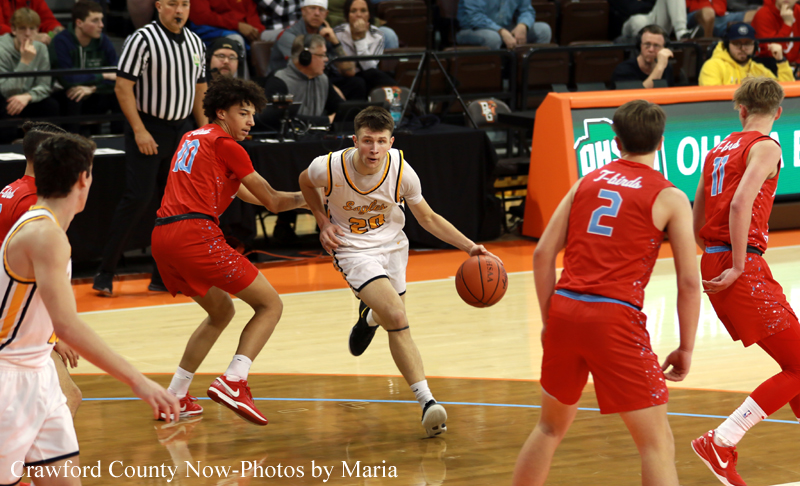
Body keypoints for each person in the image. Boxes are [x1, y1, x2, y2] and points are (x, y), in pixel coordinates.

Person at [510, 99, 700, 486]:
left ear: (616, 141)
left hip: (565, 310)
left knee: (548, 428)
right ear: (661, 142)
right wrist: (686, 347)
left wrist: (549, 320)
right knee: (657, 444)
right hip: (614, 318)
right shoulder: (670, 197)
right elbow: (688, 282)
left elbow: (543, 254)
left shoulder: (586, 181)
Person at [298, 105, 502, 437]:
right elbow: (305, 182)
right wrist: (322, 221)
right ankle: (427, 402)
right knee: (396, 314)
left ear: (391, 142)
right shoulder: (330, 167)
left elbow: (429, 218)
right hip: (351, 248)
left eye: (381, 141)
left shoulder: (402, 172)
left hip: (393, 247)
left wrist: (469, 247)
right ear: (355, 141)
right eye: (367, 141)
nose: (374, 149)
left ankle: (369, 318)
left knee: (391, 315)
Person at [0, 133, 180, 486]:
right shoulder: (45, 234)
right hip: (9, 377)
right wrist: (139, 382)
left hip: (39, 373)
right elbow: (68, 325)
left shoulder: (44, 227)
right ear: (84, 178)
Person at [151, 76, 305, 425]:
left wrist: (305, 202)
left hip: (162, 237)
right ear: (221, 112)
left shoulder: (192, 138)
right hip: (194, 234)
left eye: (253, 114)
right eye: (243, 113)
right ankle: (234, 380)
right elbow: (273, 201)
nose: (251, 121)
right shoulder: (227, 145)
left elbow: (251, 196)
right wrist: (313, 195)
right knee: (270, 305)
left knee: (221, 312)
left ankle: (175, 395)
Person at [690, 77, 800, 486]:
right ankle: (721, 441)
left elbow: (698, 211)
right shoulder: (767, 147)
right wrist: (737, 265)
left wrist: (713, 256)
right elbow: (740, 204)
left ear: (741, 110)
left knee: (796, 365)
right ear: (778, 111)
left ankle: (721, 443)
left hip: (716, 257)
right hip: (741, 264)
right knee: (799, 365)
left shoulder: (717, 150)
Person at [92, 0, 208, 297]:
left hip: (181, 131)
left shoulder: (196, 43)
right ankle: (105, 272)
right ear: (158, 7)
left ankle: (162, 276)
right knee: (138, 199)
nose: (179, 10)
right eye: (172, 4)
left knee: (173, 206)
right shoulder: (142, 39)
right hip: (147, 127)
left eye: (184, 4)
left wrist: (204, 133)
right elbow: (122, 87)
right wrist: (140, 130)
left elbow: (200, 90)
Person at [0, 121, 82, 420]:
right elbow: (39, 278)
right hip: (16, 323)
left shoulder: (11, 189)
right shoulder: (33, 202)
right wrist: (57, 335)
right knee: (66, 399)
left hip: (13, 315)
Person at [271, 0, 367, 100]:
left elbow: (350, 72)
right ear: (303, 11)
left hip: (321, 79)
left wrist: (335, 42)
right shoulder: (288, 36)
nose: (317, 13)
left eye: (321, 10)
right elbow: (304, 69)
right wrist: (329, 87)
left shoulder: (326, 34)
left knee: (357, 83)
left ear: (326, 14)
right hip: (292, 82)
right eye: (312, 8)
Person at [49, 0, 121, 136]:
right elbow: (67, 79)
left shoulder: (103, 41)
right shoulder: (61, 41)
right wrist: (103, 75)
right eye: (95, 21)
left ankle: (119, 139)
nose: (101, 25)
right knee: (74, 94)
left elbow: (118, 75)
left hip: (94, 92)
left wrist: (93, 88)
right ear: (79, 23)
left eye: (101, 20)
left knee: (121, 92)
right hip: (66, 97)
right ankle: (71, 142)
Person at [0, 8, 58, 137]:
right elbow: (6, 90)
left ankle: (45, 145)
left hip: (27, 98)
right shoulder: (1, 50)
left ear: (37, 30)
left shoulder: (41, 48)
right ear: (13, 30)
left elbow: (45, 85)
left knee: (51, 106)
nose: (27, 34)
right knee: (7, 108)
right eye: (22, 28)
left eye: (32, 29)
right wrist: (24, 62)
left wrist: (27, 96)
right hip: (6, 98)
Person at [264, 33, 344, 125]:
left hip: (319, 133)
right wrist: (327, 120)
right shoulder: (279, 80)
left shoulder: (322, 79)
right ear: (305, 57)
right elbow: (282, 118)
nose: (326, 59)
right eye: (322, 55)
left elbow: (340, 108)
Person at [332, 0, 396, 93]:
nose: (358, 15)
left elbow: (370, 68)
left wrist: (359, 40)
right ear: (347, 15)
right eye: (353, 11)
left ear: (369, 15)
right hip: (345, 77)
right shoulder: (337, 33)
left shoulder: (377, 35)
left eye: (363, 10)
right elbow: (342, 69)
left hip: (368, 75)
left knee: (380, 78)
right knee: (358, 83)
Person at [698, 22, 794, 85]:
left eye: (747, 43)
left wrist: (781, 61)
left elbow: (785, 93)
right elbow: (713, 103)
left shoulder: (759, 70)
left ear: (755, 46)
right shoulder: (713, 66)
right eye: (737, 43)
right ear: (727, 45)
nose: (743, 48)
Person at [752, 0, 800, 64]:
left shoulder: (798, 11)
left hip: (795, 64)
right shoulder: (763, 15)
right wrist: (787, 24)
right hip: (769, 63)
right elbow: (772, 52)